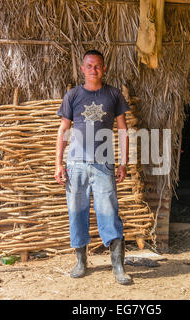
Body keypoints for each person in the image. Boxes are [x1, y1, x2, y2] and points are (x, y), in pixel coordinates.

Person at [55, 49, 132, 285]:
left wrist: (123, 162)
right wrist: (58, 162)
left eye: (97, 66)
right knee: (76, 212)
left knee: (109, 212)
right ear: (82, 69)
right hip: (76, 163)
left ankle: (118, 266)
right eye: (89, 66)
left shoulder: (114, 95)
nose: (93, 70)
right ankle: (81, 262)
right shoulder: (73, 95)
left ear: (104, 68)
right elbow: (63, 130)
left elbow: (123, 130)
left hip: (103, 164)